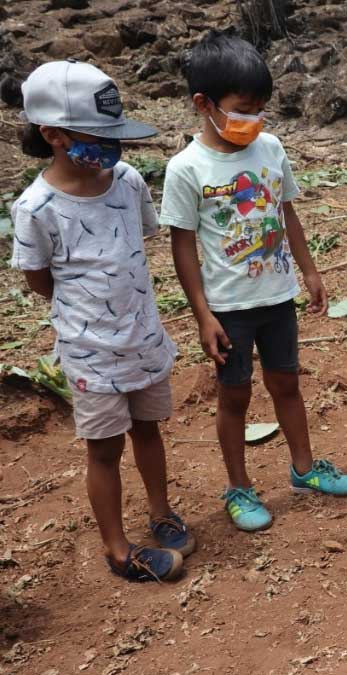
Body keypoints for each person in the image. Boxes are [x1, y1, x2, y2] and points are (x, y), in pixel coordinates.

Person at [162, 33, 347, 532]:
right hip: (229, 306)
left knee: (287, 383)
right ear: (203, 105)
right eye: (242, 110)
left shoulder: (269, 148)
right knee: (235, 396)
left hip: (277, 295)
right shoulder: (186, 169)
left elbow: (285, 211)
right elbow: (182, 246)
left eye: (259, 110)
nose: (252, 121)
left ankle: (304, 468)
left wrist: (310, 270)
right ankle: (238, 487)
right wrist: (203, 314)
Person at [9, 61, 193, 580]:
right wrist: (87, 311)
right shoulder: (36, 207)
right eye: (99, 136)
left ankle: (162, 512)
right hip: (90, 350)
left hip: (143, 337)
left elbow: (137, 244)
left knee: (149, 429)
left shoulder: (129, 181)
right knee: (105, 448)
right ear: (54, 135)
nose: (112, 148)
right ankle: (117, 548)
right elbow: (41, 280)